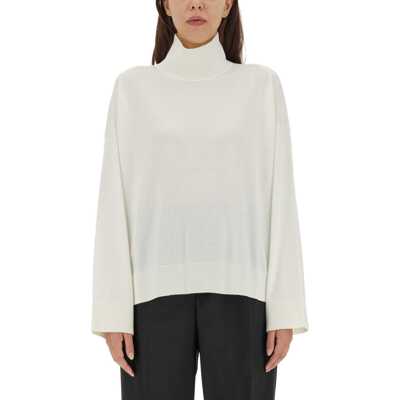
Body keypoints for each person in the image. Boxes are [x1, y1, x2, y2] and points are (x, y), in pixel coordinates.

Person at [91, 1, 309, 399]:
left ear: (227, 5)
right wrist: (112, 310)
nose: (196, 3)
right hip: (151, 295)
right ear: (165, 4)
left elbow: (281, 196)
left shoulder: (261, 87)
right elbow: (113, 199)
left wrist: (285, 307)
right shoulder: (132, 89)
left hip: (243, 292)